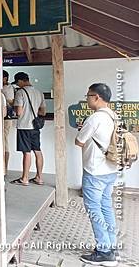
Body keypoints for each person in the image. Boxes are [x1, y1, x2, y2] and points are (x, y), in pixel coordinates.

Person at [75, 83, 119, 266]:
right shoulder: (113, 115)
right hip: (110, 169)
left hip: (95, 170)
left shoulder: (94, 118)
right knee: (106, 207)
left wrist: (83, 130)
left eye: (88, 95)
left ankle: (103, 252)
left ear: (97, 97)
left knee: (94, 210)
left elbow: (79, 142)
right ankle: (112, 246)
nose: (87, 98)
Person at [10, 72, 46, 186]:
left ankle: (24, 178)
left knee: (26, 153)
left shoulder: (20, 93)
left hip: (24, 126)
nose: (18, 85)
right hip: (35, 127)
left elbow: (19, 112)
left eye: (18, 83)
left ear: (21, 81)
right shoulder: (39, 92)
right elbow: (43, 111)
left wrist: (14, 108)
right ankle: (39, 177)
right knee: (38, 151)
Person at [2, 71, 16, 175]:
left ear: (5, 78)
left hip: (6, 118)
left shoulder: (8, 88)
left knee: (4, 142)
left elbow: (11, 101)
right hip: (1, 117)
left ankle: (4, 168)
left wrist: (2, 98)